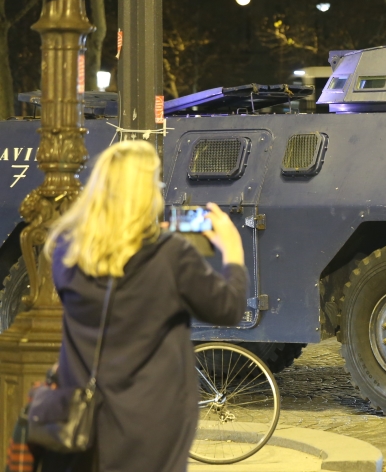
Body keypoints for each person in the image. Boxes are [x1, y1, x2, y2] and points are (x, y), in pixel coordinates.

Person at [41, 140, 247, 472]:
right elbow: (228, 308)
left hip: (82, 418)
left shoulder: (66, 250)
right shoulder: (171, 254)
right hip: (152, 423)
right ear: (145, 193)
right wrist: (233, 251)